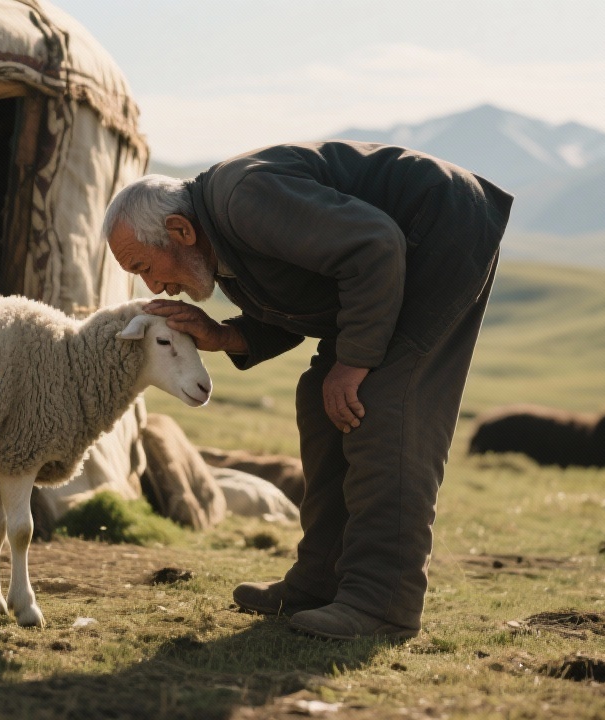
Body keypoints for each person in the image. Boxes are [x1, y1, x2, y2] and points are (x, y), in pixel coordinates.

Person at [102, 141, 512, 641]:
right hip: (386, 266)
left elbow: (375, 243)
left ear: (180, 231)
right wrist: (226, 335)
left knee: (382, 407)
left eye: (144, 267)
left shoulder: (242, 201)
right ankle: (322, 581)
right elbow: (300, 297)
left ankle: (382, 603)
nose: (154, 288)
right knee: (322, 397)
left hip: (438, 231)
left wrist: (355, 361)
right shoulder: (221, 239)